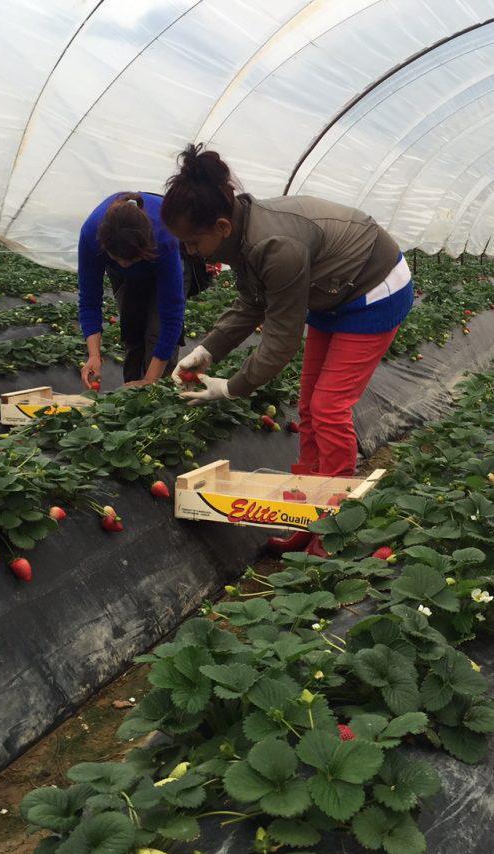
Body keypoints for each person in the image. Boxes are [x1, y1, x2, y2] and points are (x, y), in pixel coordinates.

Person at [160, 144, 412, 557]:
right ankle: (307, 516)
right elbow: (250, 304)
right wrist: (207, 351)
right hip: (330, 290)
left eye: (191, 241)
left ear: (221, 226)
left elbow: (281, 340)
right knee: (310, 407)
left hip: (373, 286)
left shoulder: (276, 246)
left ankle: (334, 526)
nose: (188, 251)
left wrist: (232, 388)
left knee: (330, 406)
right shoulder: (239, 238)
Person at [77, 192, 185, 390]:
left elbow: (172, 315)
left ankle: (159, 395)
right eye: (118, 259)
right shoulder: (91, 235)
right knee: (132, 328)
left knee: (157, 330)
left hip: (156, 257)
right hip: (128, 256)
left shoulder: (164, 237)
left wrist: (150, 382)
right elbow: (89, 300)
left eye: (131, 260)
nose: (125, 265)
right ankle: (131, 398)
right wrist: (93, 356)